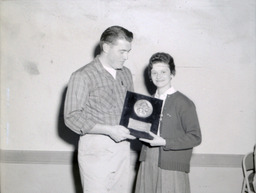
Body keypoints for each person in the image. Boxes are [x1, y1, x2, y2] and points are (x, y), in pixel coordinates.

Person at [64, 26, 136, 193]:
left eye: (128, 51)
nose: (126, 57)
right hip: (96, 149)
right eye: (122, 51)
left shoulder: (126, 73)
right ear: (106, 47)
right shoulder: (82, 75)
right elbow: (72, 117)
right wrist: (109, 130)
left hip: (123, 147)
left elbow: (131, 109)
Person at [135, 52, 202, 193]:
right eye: (154, 72)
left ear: (172, 73)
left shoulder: (184, 103)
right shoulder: (147, 103)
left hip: (171, 164)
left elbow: (195, 137)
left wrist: (164, 142)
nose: (158, 76)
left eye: (163, 72)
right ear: (150, 76)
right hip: (148, 161)